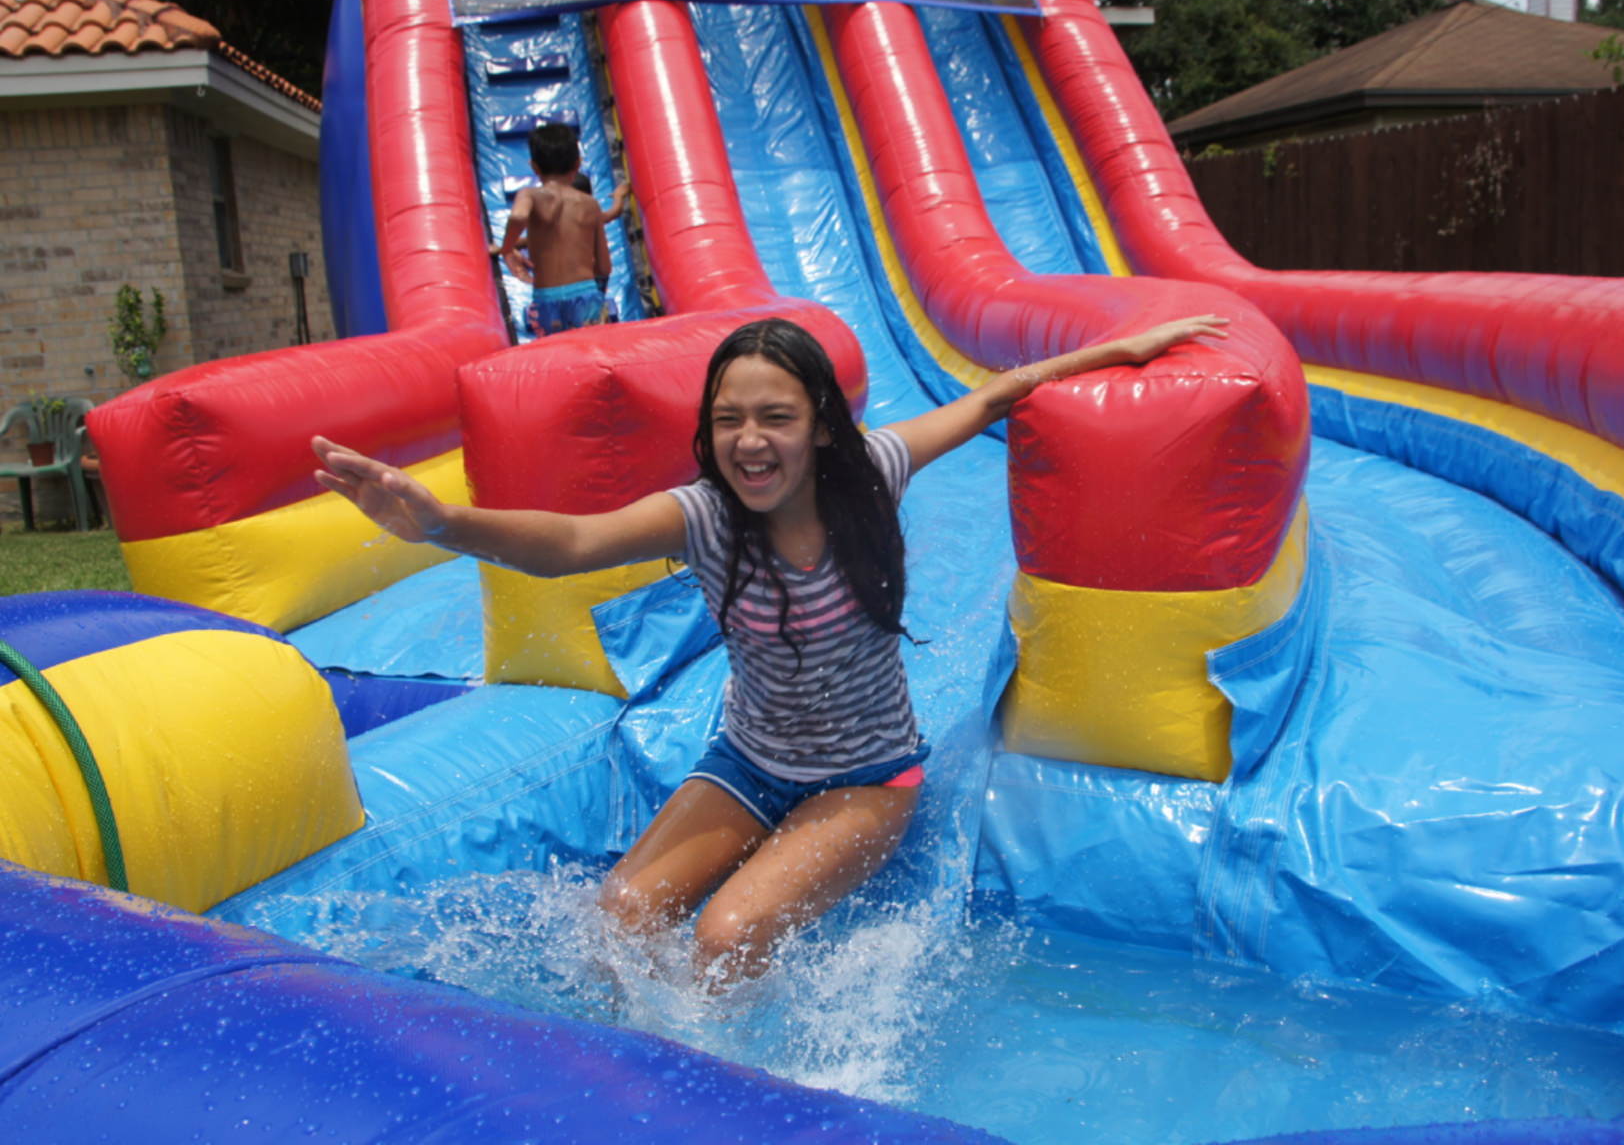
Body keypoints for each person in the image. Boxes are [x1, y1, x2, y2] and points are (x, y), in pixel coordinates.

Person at [311, 312, 1228, 986]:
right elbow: (575, 544)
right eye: (728, 420)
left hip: (867, 780)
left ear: (821, 425)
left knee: (724, 940)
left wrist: (1118, 350)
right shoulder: (706, 519)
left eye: (776, 417)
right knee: (615, 926)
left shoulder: (872, 472)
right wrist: (442, 525)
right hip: (748, 763)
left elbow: (991, 394)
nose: (750, 441)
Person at [491, 123, 632, 334]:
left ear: (534, 167)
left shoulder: (529, 195)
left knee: (556, 355)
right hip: (585, 295)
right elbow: (604, 267)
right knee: (591, 351)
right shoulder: (589, 204)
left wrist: (506, 249)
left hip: (547, 298)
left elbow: (519, 215)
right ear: (577, 164)